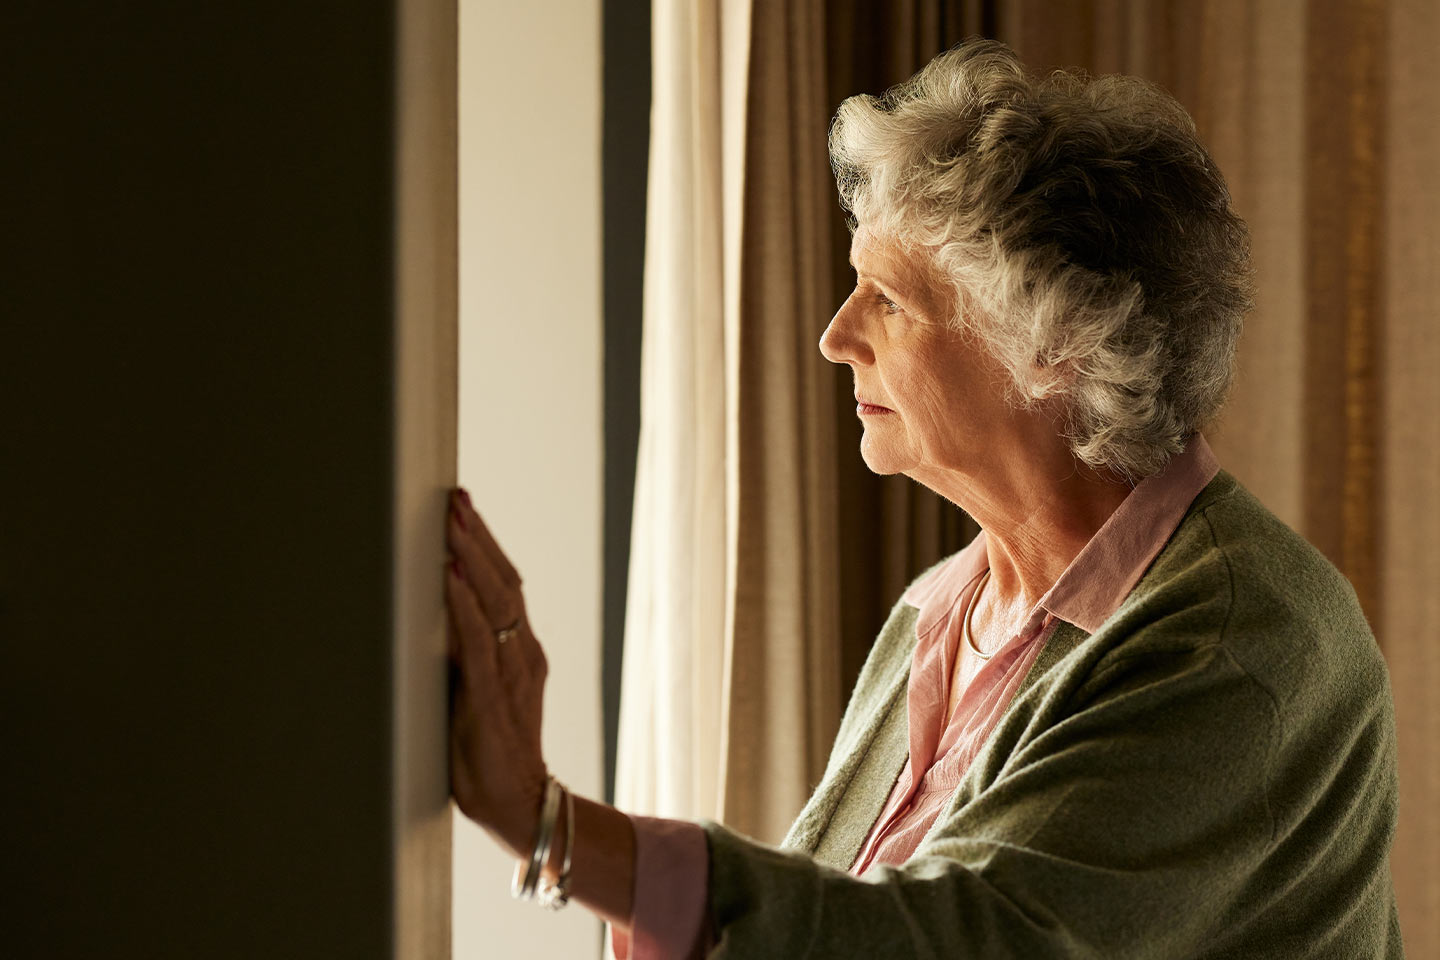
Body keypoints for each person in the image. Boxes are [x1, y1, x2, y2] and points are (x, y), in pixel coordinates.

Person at [443, 38, 1403, 959]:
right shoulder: (939, 609)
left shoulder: (1245, 644)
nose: (835, 336)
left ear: (1058, 347)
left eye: (890, 301)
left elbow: (959, 942)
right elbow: (824, 916)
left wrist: (547, 826)